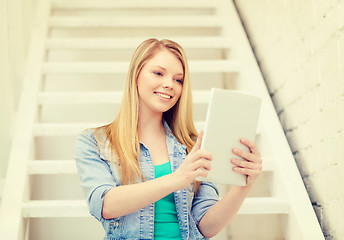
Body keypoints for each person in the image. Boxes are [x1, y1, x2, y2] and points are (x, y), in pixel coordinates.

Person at [74, 38, 263, 240]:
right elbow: (105, 206)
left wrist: (243, 187)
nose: (169, 84)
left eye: (178, 80)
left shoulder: (192, 147)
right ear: (136, 75)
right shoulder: (95, 142)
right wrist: (177, 179)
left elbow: (207, 227)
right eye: (158, 73)